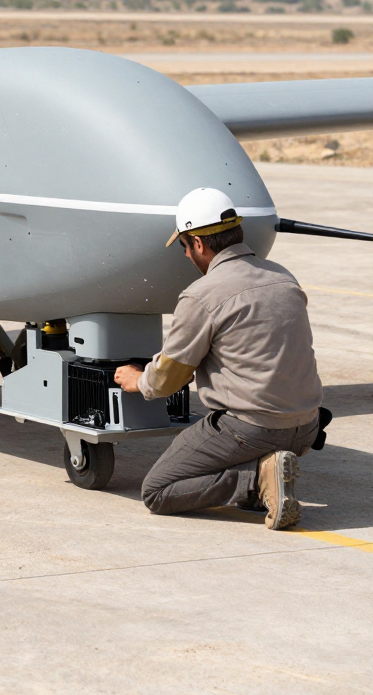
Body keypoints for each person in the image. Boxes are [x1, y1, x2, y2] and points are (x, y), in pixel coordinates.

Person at [114, 187, 323, 530]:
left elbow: (171, 376)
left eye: (183, 246)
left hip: (253, 428)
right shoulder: (283, 276)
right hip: (305, 426)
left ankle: (257, 479)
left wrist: (139, 380)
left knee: (157, 490)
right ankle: (267, 472)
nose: (185, 255)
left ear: (198, 243)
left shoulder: (203, 295)